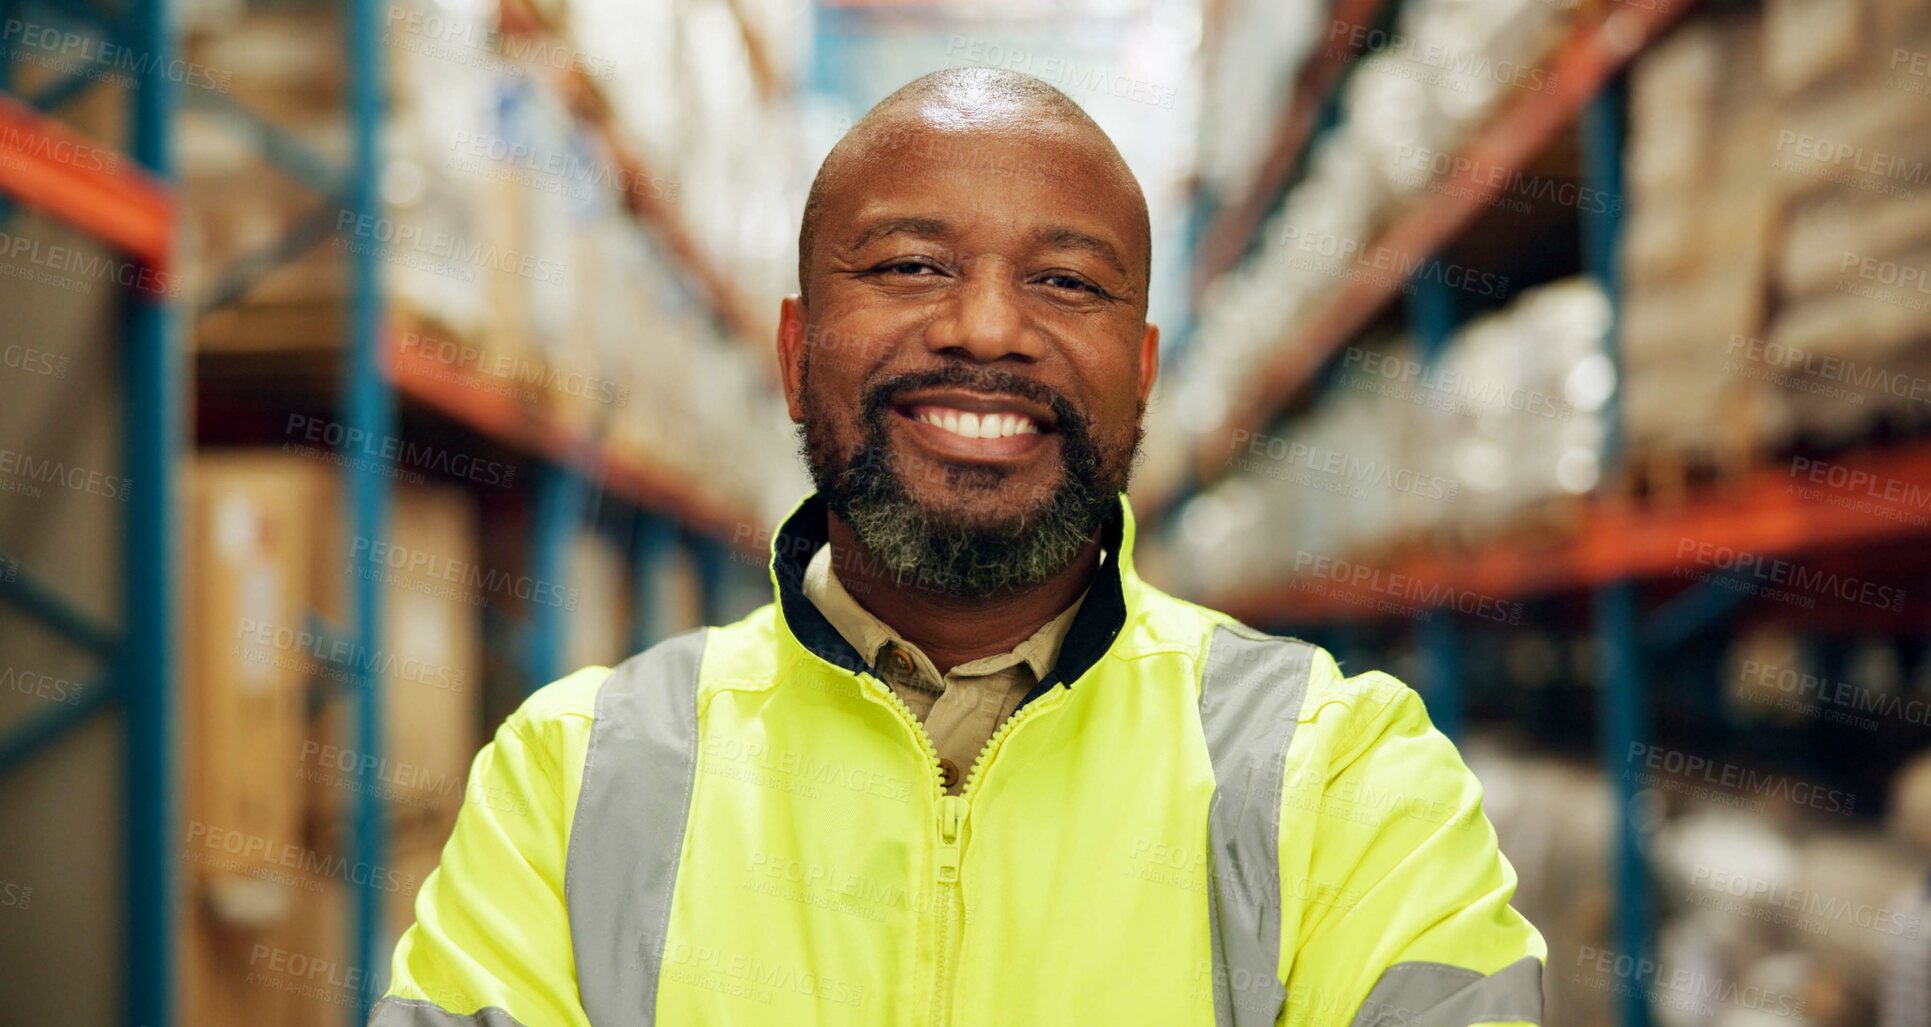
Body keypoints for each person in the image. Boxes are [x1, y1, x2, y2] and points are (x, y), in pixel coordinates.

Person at [369, 68, 1545, 1027]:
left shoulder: (1347, 779)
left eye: (1064, 281)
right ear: (794, 350)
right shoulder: (576, 780)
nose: (986, 325)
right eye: (909, 266)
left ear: (1140, 380)